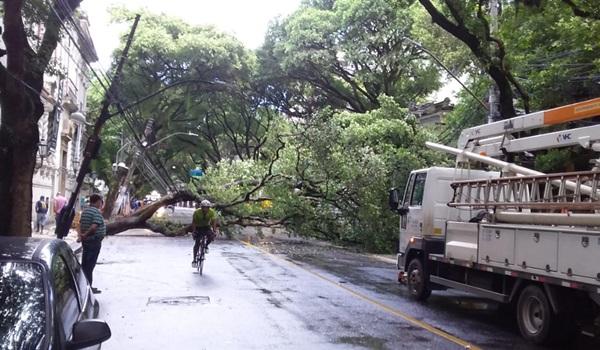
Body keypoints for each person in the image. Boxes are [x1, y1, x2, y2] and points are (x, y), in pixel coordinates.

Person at [78, 194, 106, 294]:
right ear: (98, 201)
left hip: (86, 242)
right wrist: (85, 235)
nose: (101, 204)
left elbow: (80, 224)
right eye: (101, 201)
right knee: (89, 266)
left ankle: (85, 286)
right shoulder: (96, 212)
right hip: (93, 242)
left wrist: (80, 236)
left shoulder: (85, 211)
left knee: (85, 264)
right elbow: (94, 227)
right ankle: (88, 288)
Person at [191, 199, 219, 266]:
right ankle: (194, 260)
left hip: (206, 227)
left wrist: (214, 230)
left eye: (207, 207)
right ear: (201, 207)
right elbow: (194, 222)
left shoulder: (211, 212)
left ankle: (206, 246)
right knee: (197, 243)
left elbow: (214, 221)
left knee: (211, 236)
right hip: (198, 227)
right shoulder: (197, 212)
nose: (205, 209)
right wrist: (194, 231)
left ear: (209, 208)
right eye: (204, 207)